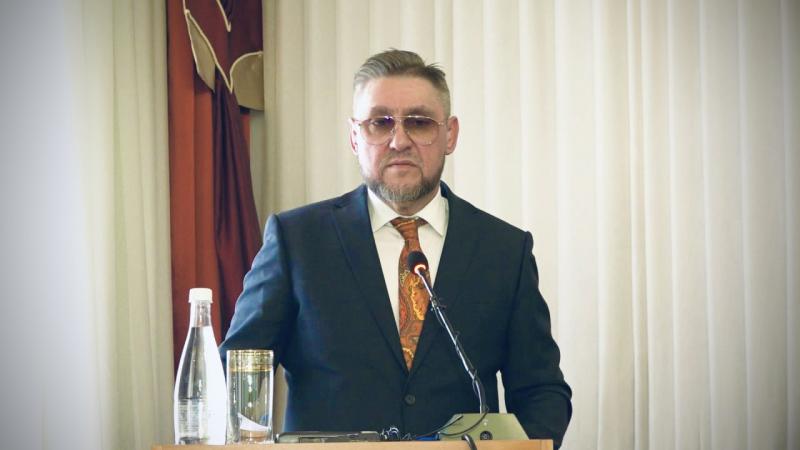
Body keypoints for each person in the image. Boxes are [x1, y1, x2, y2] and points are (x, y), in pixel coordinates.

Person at [220, 49, 572, 446]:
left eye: (419, 123)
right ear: (355, 137)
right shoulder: (297, 240)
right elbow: (237, 375)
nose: (399, 141)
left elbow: (542, 392)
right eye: (379, 123)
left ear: (450, 134)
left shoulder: (503, 250)